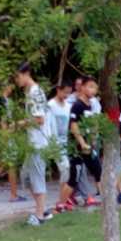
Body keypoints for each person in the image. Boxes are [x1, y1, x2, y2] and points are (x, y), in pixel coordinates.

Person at [14, 63, 55, 226]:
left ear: (26, 74)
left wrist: (19, 124)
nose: (17, 80)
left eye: (18, 76)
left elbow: (39, 119)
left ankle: (39, 216)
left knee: (37, 178)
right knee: (26, 177)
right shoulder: (30, 92)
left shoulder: (35, 92)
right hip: (32, 143)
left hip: (39, 143)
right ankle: (42, 209)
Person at [68, 78, 102, 207]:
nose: (93, 90)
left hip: (88, 146)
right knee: (74, 178)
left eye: (95, 88)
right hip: (77, 147)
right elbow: (73, 125)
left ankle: (104, 199)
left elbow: (92, 124)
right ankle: (60, 204)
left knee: (97, 170)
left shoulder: (90, 105)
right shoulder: (77, 105)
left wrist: (92, 139)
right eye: (90, 86)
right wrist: (82, 143)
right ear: (82, 87)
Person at [47, 82, 76, 212]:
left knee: (67, 171)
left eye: (69, 93)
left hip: (66, 143)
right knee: (65, 168)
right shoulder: (50, 105)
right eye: (65, 92)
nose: (66, 95)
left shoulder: (68, 106)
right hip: (54, 143)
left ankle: (63, 199)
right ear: (58, 90)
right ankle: (62, 201)